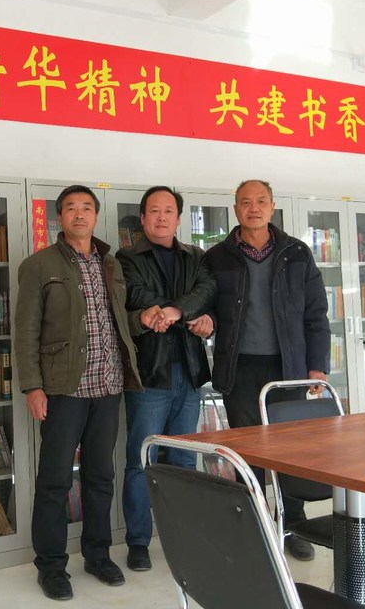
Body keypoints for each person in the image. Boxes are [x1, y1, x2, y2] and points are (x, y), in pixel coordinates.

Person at [14, 185, 143, 601]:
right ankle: (51, 566)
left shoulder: (110, 263)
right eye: (71, 208)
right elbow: (26, 331)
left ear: (96, 215)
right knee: (54, 481)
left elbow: (118, 319)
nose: (79, 214)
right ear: (60, 217)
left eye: (87, 207)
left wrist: (146, 318)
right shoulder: (39, 265)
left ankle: (98, 555)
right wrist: (33, 387)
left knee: (100, 476)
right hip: (63, 389)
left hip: (108, 386)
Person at [203, 179, 331, 562]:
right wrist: (205, 320)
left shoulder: (297, 253)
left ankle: (294, 525)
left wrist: (317, 368)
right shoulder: (217, 257)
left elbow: (316, 315)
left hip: (287, 368)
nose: (253, 208)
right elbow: (207, 306)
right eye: (245, 202)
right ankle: (254, 526)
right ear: (235, 209)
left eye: (261, 201)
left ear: (272, 207)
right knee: (248, 452)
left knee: (291, 452)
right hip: (239, 367)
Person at [115, 186, 216, 572]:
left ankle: (182, 536)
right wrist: (178, 310)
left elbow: (207, 290)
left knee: (184, 460)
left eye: (168, 211)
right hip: (150, 375)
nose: (161, 217)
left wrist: (194, 315)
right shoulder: (126, 258)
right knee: (142, 459)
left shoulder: (196, 256)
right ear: (142, 219)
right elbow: (137, 295)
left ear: (178, 218)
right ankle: (139, 541)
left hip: (189, 372)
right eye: (154, 211)